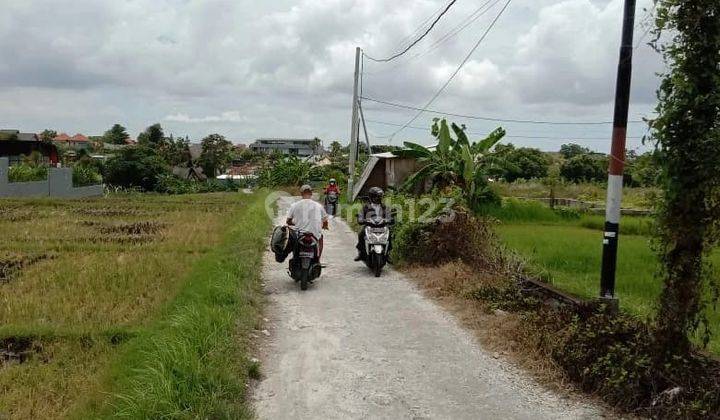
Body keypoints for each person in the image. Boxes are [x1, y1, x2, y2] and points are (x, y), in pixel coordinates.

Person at [286, 184, 329, 257]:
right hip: (314, 235)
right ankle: (318, 259)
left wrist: (295, 223)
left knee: (293, 240)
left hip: (300, 234)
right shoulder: (318, 206)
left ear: (301, 194)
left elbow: (288, 221)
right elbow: (325, 220)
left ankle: (295, 256)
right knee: (320, 237)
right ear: (311, 193)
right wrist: (325, 226)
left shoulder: (294, 205)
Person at [354, 186, 393, 261]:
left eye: (379, 197)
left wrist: (390, 219)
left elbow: (389, 215)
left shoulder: (384, 207)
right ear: (372, 197)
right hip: (369, 226)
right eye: (376, 197)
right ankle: (361, 253)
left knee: (389, 235)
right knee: (361, 234)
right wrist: (361, 219)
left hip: (382, 227)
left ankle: (388, 253)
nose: (378, 198)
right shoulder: (366, 207)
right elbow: (361, 215)